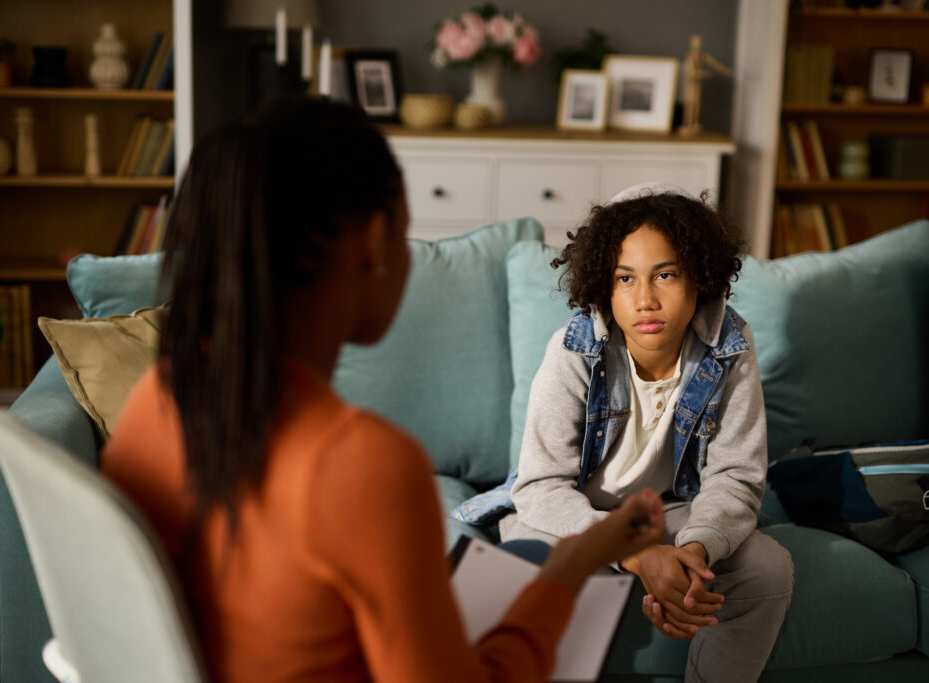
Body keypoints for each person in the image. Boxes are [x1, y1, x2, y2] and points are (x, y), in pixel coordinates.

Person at [100, 95, 666, 683]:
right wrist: (573, 567)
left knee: (523, 558)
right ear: (374, 240)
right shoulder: (364, 465)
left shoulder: (158, 395)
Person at [454, 183, 794, 682]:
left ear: (699, 278)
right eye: (625, 279)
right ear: (603, 287)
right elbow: (541, 485)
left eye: (665, 275)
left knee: (769, 570)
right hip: (568, 509)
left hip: (668, 508)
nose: (646, 300)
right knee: (522, 577)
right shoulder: (574, 349)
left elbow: (736, 476)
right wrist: (635, 556)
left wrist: (693, 556)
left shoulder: (729, 347)